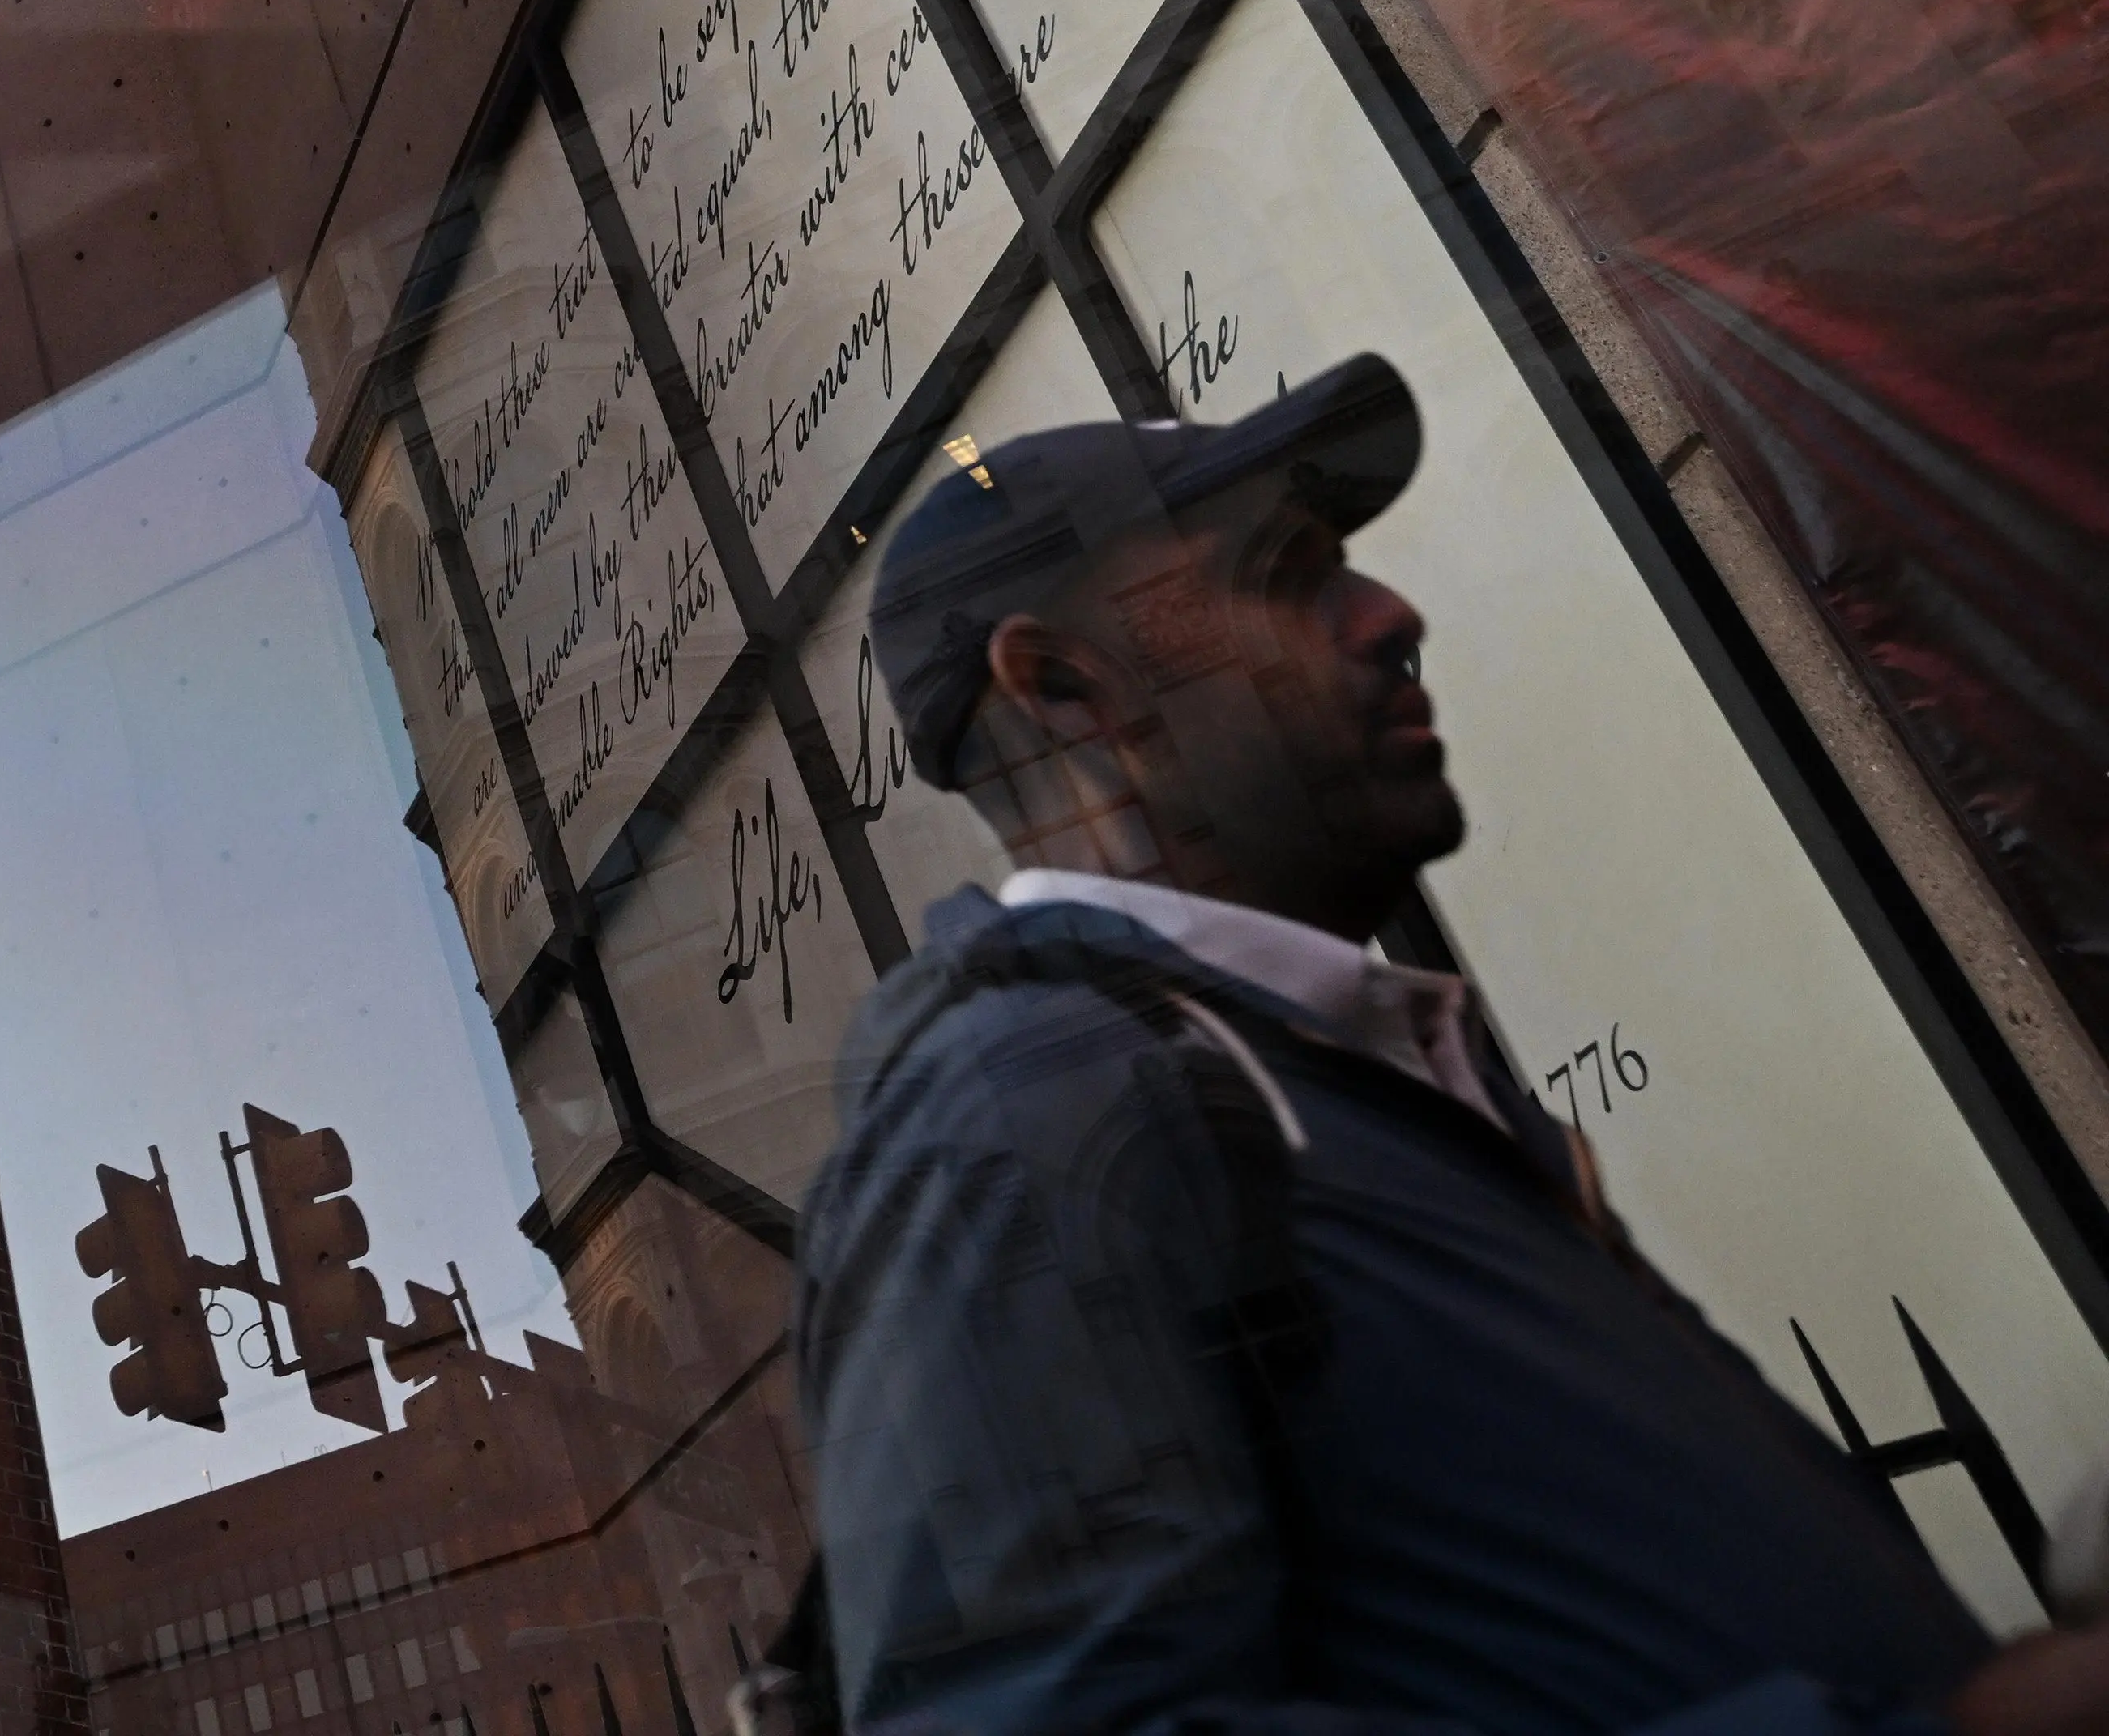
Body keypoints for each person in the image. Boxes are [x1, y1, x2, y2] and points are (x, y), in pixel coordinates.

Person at [788, 354, 2109, 1736]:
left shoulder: (1297, 1074)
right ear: (1064, 689)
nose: (1390, 613)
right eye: (1288, 573)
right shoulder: (1022, 1115)